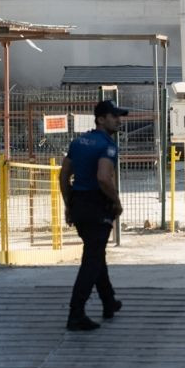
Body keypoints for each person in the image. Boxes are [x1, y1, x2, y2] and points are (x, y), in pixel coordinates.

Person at [59, 99, 126, 331]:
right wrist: (116, 202)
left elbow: (64, 174)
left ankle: (109, 302)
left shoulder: (78, 142)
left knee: (96, 254)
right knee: (92, 259)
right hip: (98, 206)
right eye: (113, 116)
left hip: (79, 204)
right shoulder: (107, 146)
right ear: (100, 119)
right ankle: (76, 312)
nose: (118, 120)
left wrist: (69, 203)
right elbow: (103, 177)